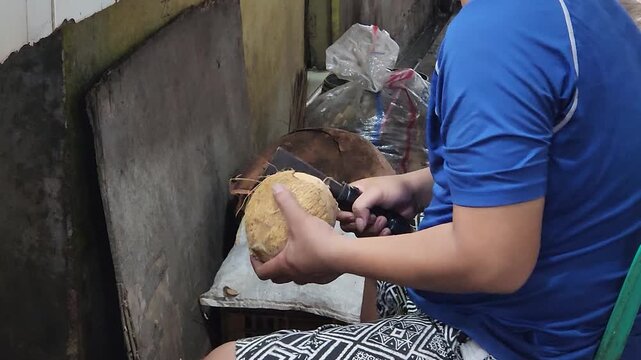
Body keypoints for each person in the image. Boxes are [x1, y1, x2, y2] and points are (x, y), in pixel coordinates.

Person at [207, 0, 641, 358]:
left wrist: (333, 254)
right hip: (581, 305)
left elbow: (493, 260)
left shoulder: (496, 35)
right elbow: (544, 159)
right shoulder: (597, 15)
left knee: (222, 357)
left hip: (520, 337)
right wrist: (416, 186)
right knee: (379, 265)